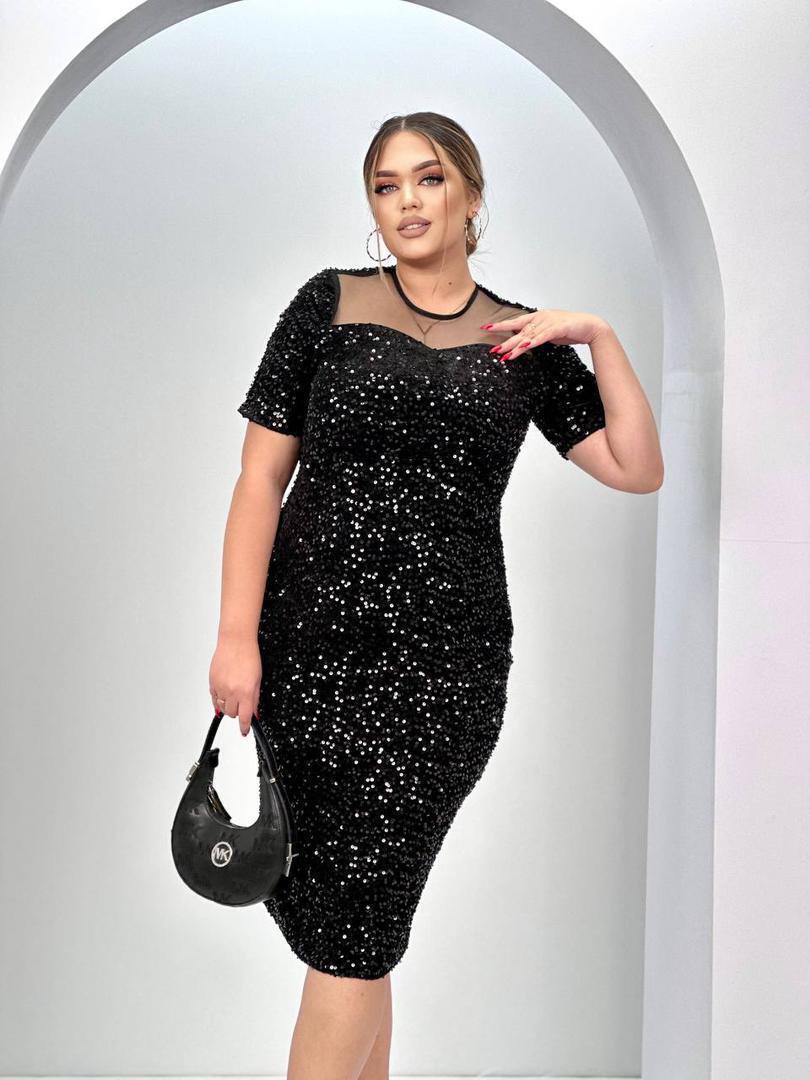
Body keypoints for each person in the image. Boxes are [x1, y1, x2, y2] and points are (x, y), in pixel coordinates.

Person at [209, 111, 663, 1079]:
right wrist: (235, 638)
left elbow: (637, 467)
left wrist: (597, 334)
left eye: (428, 179)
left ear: (471, 194)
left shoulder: (523, 340)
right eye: (386, 185)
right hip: (309, 655)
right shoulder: (328, 303)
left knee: (359, 923)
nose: (407, 202)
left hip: (445, 669)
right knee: (353, 928)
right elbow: (259, 482)